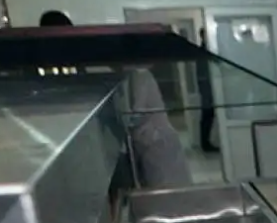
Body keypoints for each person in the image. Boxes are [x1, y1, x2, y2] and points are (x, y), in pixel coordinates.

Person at [38, 10, 193, 189]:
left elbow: (131, 115)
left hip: (157, 145)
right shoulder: (118, 74)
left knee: (168, 192)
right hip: (138, 147)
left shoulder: (139, 76)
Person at [196, 29, 219, 153]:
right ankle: (205, 143)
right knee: (207, 116)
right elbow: (203, 75)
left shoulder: (209, 50)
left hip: (209, 89)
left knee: (208, 116)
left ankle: (206, 143)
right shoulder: (203, 52)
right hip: (207, 90)